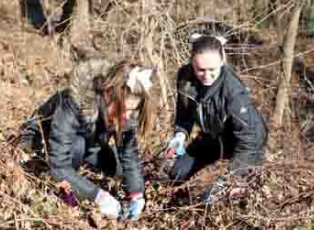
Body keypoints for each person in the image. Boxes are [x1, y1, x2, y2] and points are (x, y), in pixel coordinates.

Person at [19, 58, 154, 220]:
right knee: (77, 147)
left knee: (118, 167)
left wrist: (137, 194)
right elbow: (58, 164)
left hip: (89, 141)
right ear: (108, 93)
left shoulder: (125, 113)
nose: (128, 117)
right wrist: (96, 195)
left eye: (133, 110)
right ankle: (66, 196)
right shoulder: (76, 101)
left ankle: (79, 179)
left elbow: (129, 155)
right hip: (44, 142)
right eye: (125, 110)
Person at [166, 34, 268, 204]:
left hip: (246, 141)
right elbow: (184, 114)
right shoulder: (185, 78)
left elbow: (248, 141)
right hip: (214, 135)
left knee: (215, 198)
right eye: (201, 70)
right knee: (177, 173)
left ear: (222, 61)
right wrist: (180, 135)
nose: (207, 75)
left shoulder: (233, 91)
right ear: (192, 62)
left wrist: (233, 178)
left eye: (212, 69)